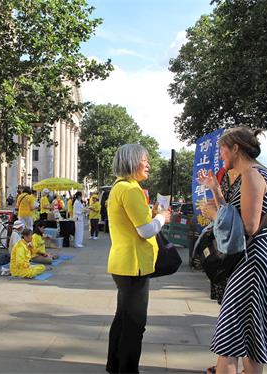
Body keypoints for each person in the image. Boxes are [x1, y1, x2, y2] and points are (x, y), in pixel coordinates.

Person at [198, 127, 267, 374]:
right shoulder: (249, 174)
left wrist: (214, 213)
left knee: (229, 339)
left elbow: (249, 226)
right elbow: (235, 212)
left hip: (251, 263)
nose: (220, 152)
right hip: (252, 260)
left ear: (236, 148)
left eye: (223, 147)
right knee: (253, 336)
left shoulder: (252, 175)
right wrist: (215, 190)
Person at [105, 144, 171, 374]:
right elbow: (144, 230)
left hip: (124, 263)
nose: (149, 164)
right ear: (132, 161)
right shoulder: (131, 189)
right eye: (145, 160)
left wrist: (153, 214)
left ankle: (115, 364)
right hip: (134, 265)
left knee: (122, 319)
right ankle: (127, 369)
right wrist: (162, 218)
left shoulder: (120, 187)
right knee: (135, 325)